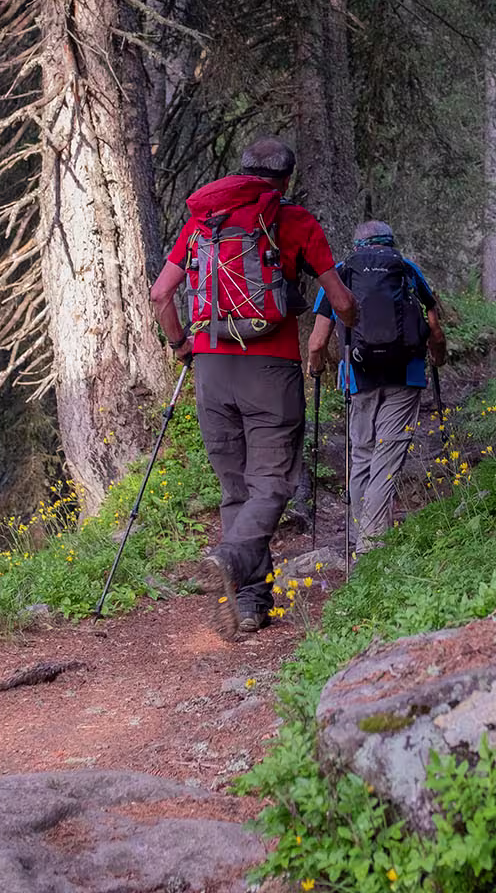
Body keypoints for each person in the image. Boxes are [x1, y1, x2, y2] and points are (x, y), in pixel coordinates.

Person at [149, 137, 357, 641]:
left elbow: (160, 294)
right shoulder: (295, 221)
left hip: (211, 370)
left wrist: (181, 344)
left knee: (235, 488)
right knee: (274, 482)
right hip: (271, 369)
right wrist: (340, 335)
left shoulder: (206, 221)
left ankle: (250, 604)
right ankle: (232, 557)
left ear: (241, 172)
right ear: (286, 179)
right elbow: (341, 299)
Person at [306, 221, 448, 557]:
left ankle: (361, 539)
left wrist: (318, 367)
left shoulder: (340, 273)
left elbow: (316, 342)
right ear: (391, 242)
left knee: (362, 456)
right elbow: (434, 328)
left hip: (359, 376)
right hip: (406, 375)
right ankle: (372, 546)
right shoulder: (407, 269)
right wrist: (438, 357)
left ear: (356, 245)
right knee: (387, 458)